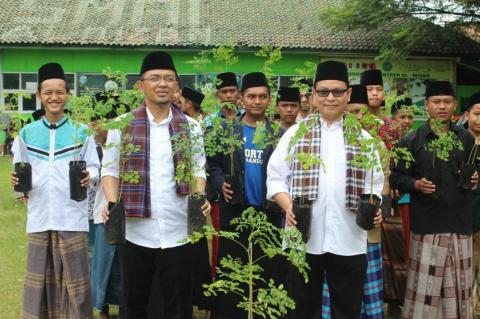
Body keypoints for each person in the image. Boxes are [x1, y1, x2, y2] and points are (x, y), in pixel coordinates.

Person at [267, 61, 384, 319]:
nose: (330, 98)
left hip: (349, 237)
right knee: (300, 307)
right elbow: (275, 178)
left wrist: (376, 211)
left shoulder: (364, 140)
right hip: (303, 236)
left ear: (349, 94)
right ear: (313, 94)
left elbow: (374, 186)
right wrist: (288, 206)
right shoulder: (296, 135)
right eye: (323, 92)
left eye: (338, 92)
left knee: (347, 308)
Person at [102, 51, 210, 319]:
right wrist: (112, 202)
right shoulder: (122, 126)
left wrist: (199, 197)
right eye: (154, 78)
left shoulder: (191, 127)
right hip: (136, 230)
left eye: (168, 78)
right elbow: (110, 169)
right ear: (140, 85)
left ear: (176, 86)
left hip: (178, 229)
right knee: (135, 302)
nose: (162, 84)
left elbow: (198, 168)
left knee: (178, 303)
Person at [11, 62, 100, 319]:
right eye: (48, 92)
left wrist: (89, 175)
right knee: (40, 280)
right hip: (40, 217)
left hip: (72, 215)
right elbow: (21, 170)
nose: (54, 97)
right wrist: (18, 183)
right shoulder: (27, 133)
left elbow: (95, 167)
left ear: (67, 94)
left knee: (76, 283)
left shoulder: (81, 132)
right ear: (39, 95)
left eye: (59, 91)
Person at [390, 81, 478, 319]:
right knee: (424, 290)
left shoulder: (466, 140)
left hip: (459, 222)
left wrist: (474, 178)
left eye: (447, 102)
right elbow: (396, 177)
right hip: (427, 224)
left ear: (455, 105)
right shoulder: (411, 141)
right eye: (436, 102)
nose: (442, 107)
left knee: (459, 288)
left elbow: (471, 174)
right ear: (426, 105)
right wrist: (415, 184)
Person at [208, 71, 281, 319]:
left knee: (268, 270)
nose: (257, 101)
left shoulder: (279, 135)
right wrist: (219, 183)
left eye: (262, 96)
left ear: (270, 99)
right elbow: (213, 164)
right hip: (236, 212)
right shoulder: (227, 131)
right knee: (233, 271)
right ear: (241, 98)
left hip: (268, 215)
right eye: (251, 96)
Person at [321, 83, 386, 319]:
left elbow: (381, 185)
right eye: (353, 111)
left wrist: (378, 209)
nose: (357, 116)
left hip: (368, 228)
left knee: (368, 287)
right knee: (339, 288)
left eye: (362, 111)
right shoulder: (330, 140)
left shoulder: (373, 144)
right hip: (340, 229)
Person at [90, 91, 128, 319]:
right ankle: (101, 307)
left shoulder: (121, 134)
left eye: (96, 122)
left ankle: (126, 306)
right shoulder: (92, 144)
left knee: (123, 264)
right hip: (104, 210)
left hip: (125, 210)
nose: (93, 128)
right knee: (104, 263)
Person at [463, 91, 480, 315]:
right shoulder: (458, 141)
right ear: (467, 114)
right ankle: (467, 300)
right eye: (477, 114)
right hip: (464, 208)